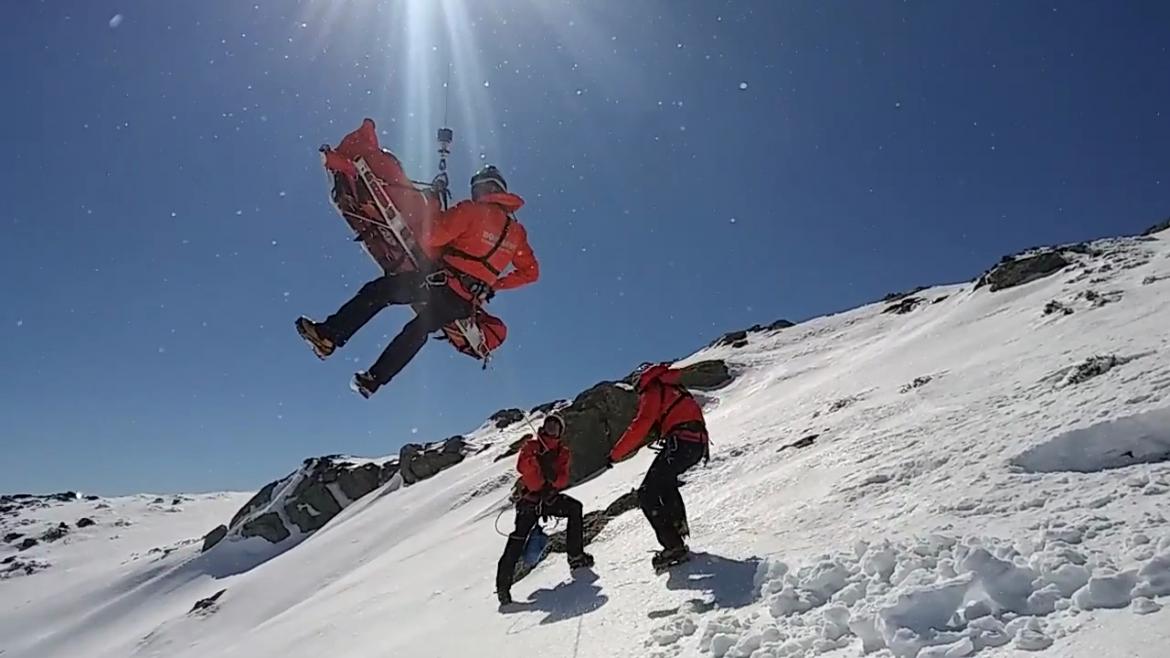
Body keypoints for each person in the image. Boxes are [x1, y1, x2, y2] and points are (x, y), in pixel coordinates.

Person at [296, 165, 539, 397]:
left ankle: (328, 336)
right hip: (464, 301)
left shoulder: (471, 210)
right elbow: (530, 273)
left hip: (440, 283)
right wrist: (493, 283)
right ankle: (374, 380)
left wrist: (433, 200)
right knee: (417, 330)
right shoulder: (517, 233)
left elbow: (431, 237)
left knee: (380, 292)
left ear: (481, 189)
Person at [608, 363, 709, 570]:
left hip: (680, 442)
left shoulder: (653, 389)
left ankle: (673, 545)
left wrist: (615, 454)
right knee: (665, 482)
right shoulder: (672, 385)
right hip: (696, 443)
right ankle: (677, 525)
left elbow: (641, 424)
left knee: (647, 493)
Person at [495, 414, 594, 606]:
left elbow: (563, 478)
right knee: (517, 539)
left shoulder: (562, 452)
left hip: (548, 499)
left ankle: (575, 556)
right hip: (530, 502)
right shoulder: (531, 446)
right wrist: (537, 461)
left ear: (560, 432)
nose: (551, 429)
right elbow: (522, 467)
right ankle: (503, 587)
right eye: (549, 425)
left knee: (575, 508)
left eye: (556, 427)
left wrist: (551, 479)